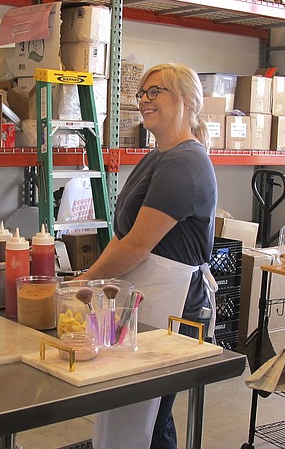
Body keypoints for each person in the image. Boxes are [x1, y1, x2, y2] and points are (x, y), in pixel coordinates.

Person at [76, 63, 218, 449]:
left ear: (187, 101)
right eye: (142, 93)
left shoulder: (186, 163)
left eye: (156, 92)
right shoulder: (159, 156)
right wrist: (90, 277)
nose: (144, 100)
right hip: (142, 294)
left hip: (174, 303)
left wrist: (83, 282)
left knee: (148, 414)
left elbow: (137, 245)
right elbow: (122, 236)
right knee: (136, 408)